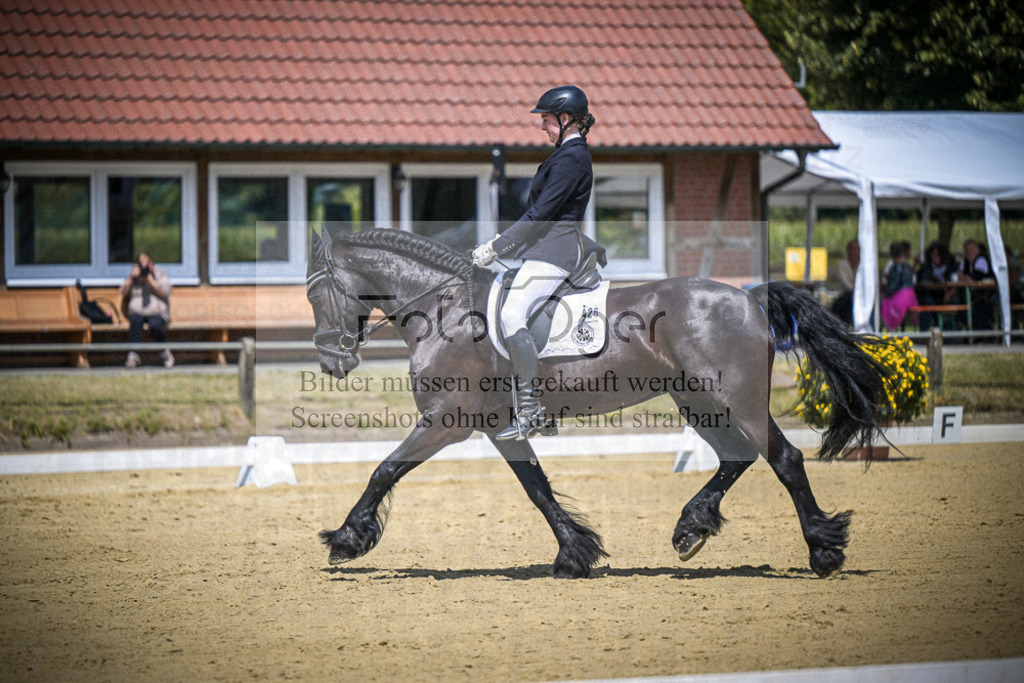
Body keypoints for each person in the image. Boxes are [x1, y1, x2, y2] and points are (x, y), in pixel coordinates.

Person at [471, 85, 606, 441]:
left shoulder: (572, 158)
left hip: (554, 251)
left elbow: (542, 213)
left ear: (565, 119)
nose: (542, 127)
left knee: (512, 314)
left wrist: (498, 246)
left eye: (546, 120)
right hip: (543, 249)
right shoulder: (566, 155)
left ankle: (531, 411)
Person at [119, 253, 173, 368]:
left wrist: (150, 279)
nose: (144, 268)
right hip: (137, 310)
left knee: (155, 325)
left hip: (156, 310)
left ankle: (165, 352)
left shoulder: (160, 274)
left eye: (146, 264)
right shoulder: (133, 277)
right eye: (141, 265)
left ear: (151, 264)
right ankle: (133, 354)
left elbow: (164, 292)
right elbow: (122, 292)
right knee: (135, 321)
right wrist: (131, 278)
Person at [914, 241, 959, 331]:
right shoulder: (927, 266)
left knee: (953, 301)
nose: (935, 257)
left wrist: (948, 294)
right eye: (933, 254)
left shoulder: (951, 265)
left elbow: (956, 284)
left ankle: (950, 332)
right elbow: (923, 282)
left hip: (948, 294)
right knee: (927, 302)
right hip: (932, 294)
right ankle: (924, 334)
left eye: (937, 255)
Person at [959, 238, 995, 333]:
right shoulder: (966, 262)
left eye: (971, 250)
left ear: (977, 249)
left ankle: (983, 333)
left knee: (977, 307)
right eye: (966, 251)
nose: (968, 253)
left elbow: (976, 276)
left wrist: (965, 277)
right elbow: (959, 274)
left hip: (984, 294)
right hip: (972, 295)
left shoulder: (981, 259)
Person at [880, 241, 917, 331]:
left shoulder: (895, 268)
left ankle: (882, 331)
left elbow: (893, 287)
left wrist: (885, 293)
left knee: (880, 304)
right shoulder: (907, 266)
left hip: (900, 298)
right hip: (911, 298)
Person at [830, 239, 858, 325]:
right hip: (842, 296)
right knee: (849, 297)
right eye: (851, 249)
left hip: (855, 297)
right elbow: (846, 284)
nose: (853, 252)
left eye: (856, 249)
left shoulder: (862, 265)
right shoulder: (841, 265)